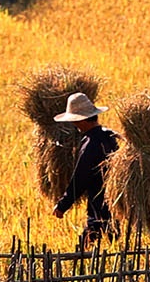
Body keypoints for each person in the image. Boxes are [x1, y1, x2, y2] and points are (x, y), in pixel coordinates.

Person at [50, 92, 120, 247]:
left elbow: (80, 179)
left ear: (80, 120)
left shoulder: (90, 144)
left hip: (99, 208)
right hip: (117, 205)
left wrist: (62, 206)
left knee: (87, 247)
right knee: (113, 242)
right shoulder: (110, 136)